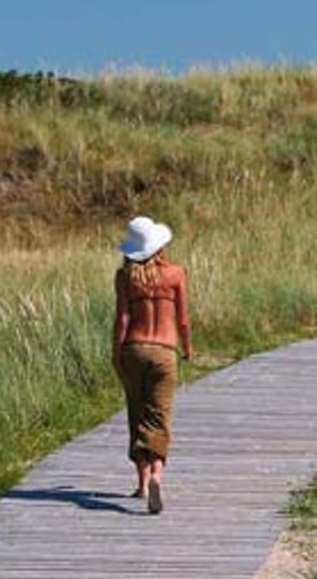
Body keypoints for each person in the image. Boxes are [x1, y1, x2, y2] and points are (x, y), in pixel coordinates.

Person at [112, 216, 194, 515]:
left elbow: (122, 319)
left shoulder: (125, 277)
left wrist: (116, 353)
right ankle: (158, 474)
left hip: (133, 348)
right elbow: (183, 318)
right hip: (164, 350)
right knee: (159, 415)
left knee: (137, 410)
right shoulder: (175, 274)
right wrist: (188, 347)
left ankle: (143, 483)